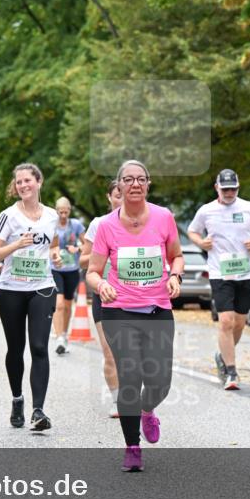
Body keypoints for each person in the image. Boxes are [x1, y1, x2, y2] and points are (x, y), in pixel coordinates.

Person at [86, 160, 184, 472]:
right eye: (128, 179)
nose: (135, 184)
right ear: (119, 185)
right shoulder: (106, 226)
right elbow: (92, 271)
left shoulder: (163, 217)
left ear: (148, 184)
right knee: (130, 377)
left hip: (157, 310)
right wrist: (101, 285)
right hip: (119, 312)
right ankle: (132, 447)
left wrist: (175, 276)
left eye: (141, 179)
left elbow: (176, 256)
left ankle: (147, 410)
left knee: (160, 382)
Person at [0, 163, 63, 431]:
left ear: (39, 182)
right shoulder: (8, 216)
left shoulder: (52, 216)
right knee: (16, 348)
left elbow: (53, 244)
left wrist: (55, 256)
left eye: (27, 180)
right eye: (18, 182)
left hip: (42, 287)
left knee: (40, 347)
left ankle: (38, 411)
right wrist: (16, 244)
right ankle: (17, 398)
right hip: (11, 290)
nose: (22, 185)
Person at [188, 168, 250, 390]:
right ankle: (231, 372)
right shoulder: (206, 210)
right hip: (220, 272)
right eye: (225, 189)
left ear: (238, 187)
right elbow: (193, 231)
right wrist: (201, 243)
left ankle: (222, 355)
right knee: (226, 321)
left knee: (239, 323)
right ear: (217, 188)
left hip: (245, 272)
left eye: (233, 189)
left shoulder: (249, 208)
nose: (229, 193)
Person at [80, 180, 123, 417]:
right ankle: (118, 400)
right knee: (109, 351)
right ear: (109, 197)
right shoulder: (98, 224)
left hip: (133, 295)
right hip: (104, 294)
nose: (122, 200)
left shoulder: (141, 223)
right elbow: (82, 261)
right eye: (117, 195)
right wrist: (103, 251)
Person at [50, 197, 86, 355]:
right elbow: (46, 245)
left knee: (67, 305)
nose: (63, 215)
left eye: (66, 212)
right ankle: (58, 338)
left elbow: (88, 245)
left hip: (72, 270)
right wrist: (54, 254)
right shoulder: (51, 225)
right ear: (56, 211)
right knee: (58, 304)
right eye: (60, 212)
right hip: (55, 269)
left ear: (69, 211)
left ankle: (64, 334)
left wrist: (77, 249)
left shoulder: (76, 225)